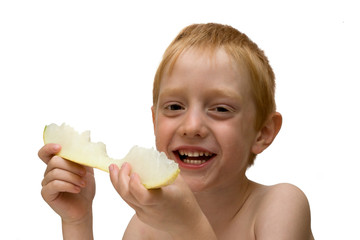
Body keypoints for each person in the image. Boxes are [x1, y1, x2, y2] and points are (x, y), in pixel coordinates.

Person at [39, 23, 314, 239]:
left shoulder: (280, 206)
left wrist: (190, 228)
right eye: (173, 106)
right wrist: (77, 222)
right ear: (154, 120)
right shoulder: (145, 228)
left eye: (220, 109)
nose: (192, 127)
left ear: (262, 132)